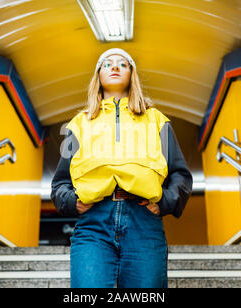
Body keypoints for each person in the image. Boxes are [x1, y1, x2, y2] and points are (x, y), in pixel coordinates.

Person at [51, 48, 192, 288]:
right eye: (107, 64)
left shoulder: (156, 120)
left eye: (122, 64)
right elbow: (60, 183)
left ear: (131, 74)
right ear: (98, 76)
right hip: (93, 224)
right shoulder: (78, 124)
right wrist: (71, 201)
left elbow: (180, 174)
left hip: (144, 222)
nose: (115, 67)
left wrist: (166, 202)